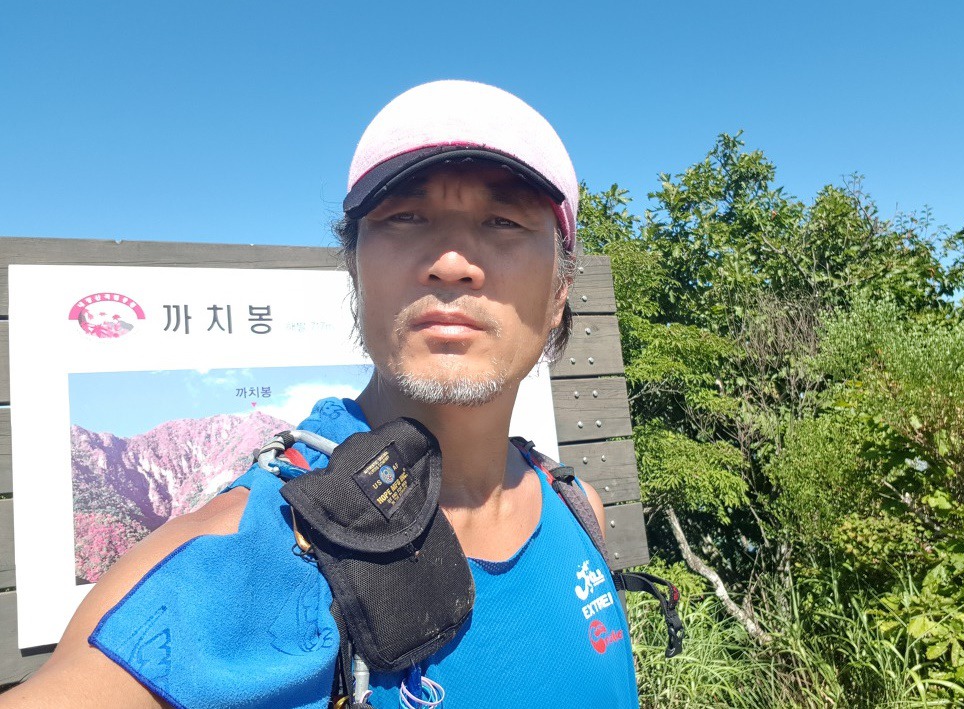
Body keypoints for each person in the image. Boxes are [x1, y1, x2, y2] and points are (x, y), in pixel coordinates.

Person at [3, 80, 639, 708]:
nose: (451, 262)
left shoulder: (576, 506)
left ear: (560, 290)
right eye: (405, 216)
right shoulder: (237, 559)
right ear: (354, 268)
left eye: (503, 220)